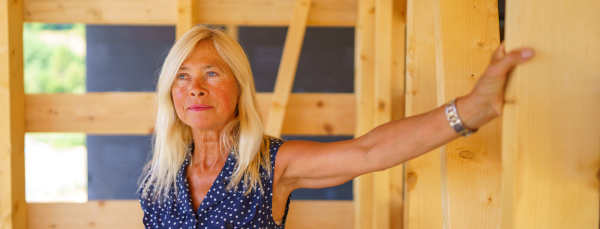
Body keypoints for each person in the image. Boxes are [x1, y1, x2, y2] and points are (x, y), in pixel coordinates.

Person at [138, 25, 534, 229]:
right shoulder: (157, 182)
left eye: (211, 73)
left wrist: (469, 110)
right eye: (183, 76)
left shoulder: (270, 165)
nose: (196, 89)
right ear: (170, 91)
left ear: (239, 90)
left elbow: (369, 152)